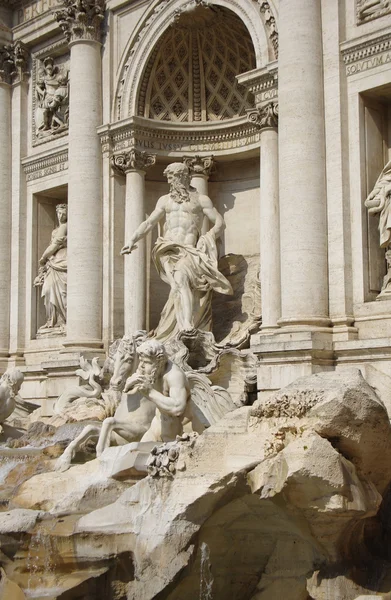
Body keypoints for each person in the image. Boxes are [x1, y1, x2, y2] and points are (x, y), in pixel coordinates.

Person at [121, 162, 232, 341]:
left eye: (172, 177)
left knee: (180, 283)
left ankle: (182, 325)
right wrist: (132, 239)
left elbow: (220, 222)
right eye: (169, 178)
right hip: (166, 248)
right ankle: (185, 325)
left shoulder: (201, 199)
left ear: (182, 176)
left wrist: (208, 236)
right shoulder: (164, 200)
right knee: (179, 284)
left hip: (188, 249)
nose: (170, 182)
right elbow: (149, 222)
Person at [95, 339, 190, 456]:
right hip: (157, 427)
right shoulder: (150, 368)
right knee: (133, 457)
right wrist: (129, 384)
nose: (141, 366)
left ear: (159, 362)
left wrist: (149, 392)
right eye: (140, 361)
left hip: (181, 433)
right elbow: (132, 380)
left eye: (145, 362)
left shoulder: (174, 376)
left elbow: (177, 407)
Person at [34, 203, 67, 331]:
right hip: (53, 263)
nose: (60, 216)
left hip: (62, 260)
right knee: (48, 290)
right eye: (58, 213)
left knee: (61, 292)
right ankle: (52, 320)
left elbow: (54, 246)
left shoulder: (65, 227)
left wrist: (43, 258)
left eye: (63, 213)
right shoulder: (56, 230)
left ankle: (62, 320)